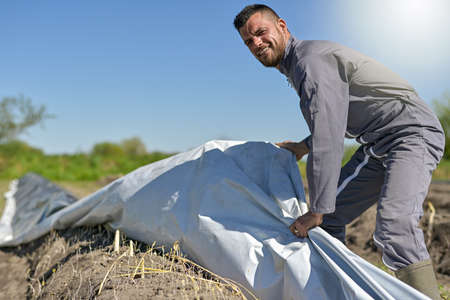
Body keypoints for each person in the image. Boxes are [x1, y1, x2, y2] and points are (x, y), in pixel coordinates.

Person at [234, 4, 444, 299]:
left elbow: (328, 136)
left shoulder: (310, 62)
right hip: (377, 145)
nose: (256, 43)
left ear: (281, 26)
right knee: (330, 220)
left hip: (410, 133)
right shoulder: (298, 67)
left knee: (394, 226)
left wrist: (317, 209)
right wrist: (303, 146)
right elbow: (334, 117)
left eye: (260, 33)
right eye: (248, 41)